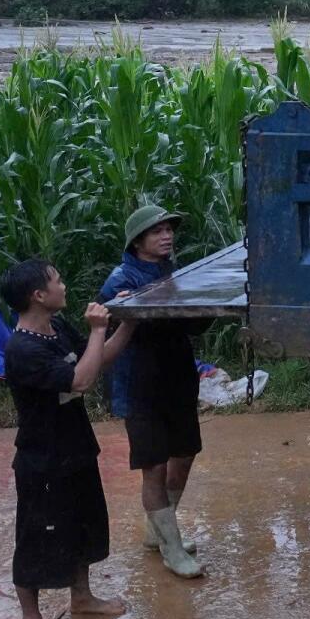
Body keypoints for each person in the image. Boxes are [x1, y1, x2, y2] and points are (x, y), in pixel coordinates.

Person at [0, 258, 137, 619]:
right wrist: (98, 327)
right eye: (57, 280)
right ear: (38, 296)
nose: (64, 285)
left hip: (76, 447)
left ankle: (82, 597)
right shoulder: (22, 348)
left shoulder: (56, 328)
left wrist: (127, 322)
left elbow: (100, 357)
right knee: (34, 537)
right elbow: (82, 379)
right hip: (41, 460)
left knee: (83, 525)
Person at [96, 204, 205, 579]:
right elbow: (107, 334)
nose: (167, 236)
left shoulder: (173, 272)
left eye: (169, 230)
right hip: (140, 386)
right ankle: (173, 550)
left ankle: (157, 530)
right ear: (138, 240)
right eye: (157, 231)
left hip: (177, 378)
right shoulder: (120, 280)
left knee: (185, 454)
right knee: (154, 467)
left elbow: (193, 326)